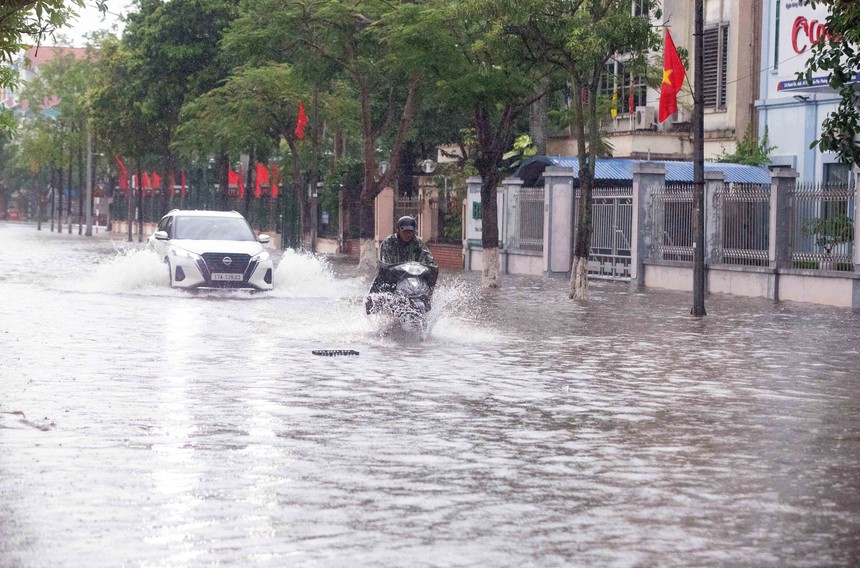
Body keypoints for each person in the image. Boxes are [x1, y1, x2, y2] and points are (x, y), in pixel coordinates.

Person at [366, 215, 439, 313]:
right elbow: (385, 263)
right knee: (379, 287)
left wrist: (430, 268)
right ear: (398, 230)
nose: (408, 234)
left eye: (410, 232)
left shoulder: (418, 243)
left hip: (413, 277)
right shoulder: (388, 242)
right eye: (405, 231)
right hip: (393, 276)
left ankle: (427, 302)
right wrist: (392, 270)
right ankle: (374, 307)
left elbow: (429, 261)